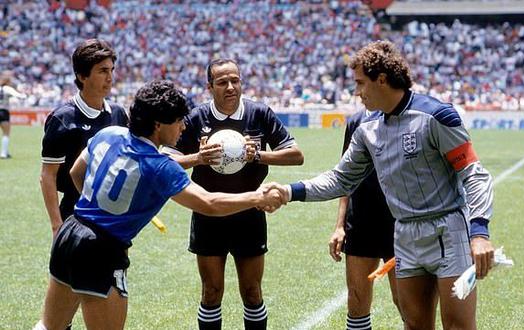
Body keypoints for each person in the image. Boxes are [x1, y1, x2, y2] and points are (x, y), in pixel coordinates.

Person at [267, 40, 495, 330]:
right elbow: (341, 178)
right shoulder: (367, 129)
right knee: (414, 326)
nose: (356, 93)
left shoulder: (437, 116)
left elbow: (474, 174)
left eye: (360, 84)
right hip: (405, 235)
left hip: (448, 232)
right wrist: (289, 191)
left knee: (458, 326)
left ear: (382, 80)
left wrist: (479, 232)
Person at [32, 80, 285, 330]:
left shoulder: (109, 133)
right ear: (157, 125)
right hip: (101, 249)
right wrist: (257, 197)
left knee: (49, 326)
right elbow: (209, 204)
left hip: (70, 231)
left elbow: (77, 172)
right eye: (178, 121)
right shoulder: (160, 165)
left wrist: (96, 207)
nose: (183, 127)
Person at [174, 58, 304, 330]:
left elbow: (296, 155)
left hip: (250, 211)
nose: (231, 87)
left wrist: (258, 155)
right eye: (222, 82)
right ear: (210, 87)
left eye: (235, 80)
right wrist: (197, 158)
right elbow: (165, 161)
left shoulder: (259, 114)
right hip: (209, 212)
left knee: (253, 293)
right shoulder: (196, 118)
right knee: (211, 293)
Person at [40, 38, 128, 237]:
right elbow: (48, 175)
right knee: (71, 269)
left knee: (114, 269)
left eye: (111, 70)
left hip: (113, 214)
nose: (110, 77)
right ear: (82, 76)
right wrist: (56, 226)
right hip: (74, 213)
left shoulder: (118, 114)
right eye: (102, 71)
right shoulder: (62, 118)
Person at [328, 109, 405, 330]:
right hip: (361, 220)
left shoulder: (410, 115)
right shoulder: (355, 121)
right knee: (357, 302)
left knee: (407, 304)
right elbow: (345, 176)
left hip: (401, 223)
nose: (358, 90)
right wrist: (339, 225)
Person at [0, 71, 26, 159]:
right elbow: (19, 96)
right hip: (3, 112)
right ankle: (3, 153)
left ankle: (5, 152)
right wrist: (23, 94)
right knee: (6, 133)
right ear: (7, 81)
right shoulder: (7, 88)